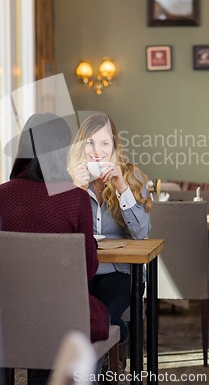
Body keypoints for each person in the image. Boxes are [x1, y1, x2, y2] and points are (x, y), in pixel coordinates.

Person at [0, 112, 109, 385]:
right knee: (113, 319)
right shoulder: (74, 198)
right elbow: (88, 270)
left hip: (10, 320)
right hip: (65, 321)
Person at [68, 113, 151, 367]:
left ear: (115, 146)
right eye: (90, 143)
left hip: (119, 272)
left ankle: (95, 366)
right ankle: (118, 336)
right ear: (81, 146)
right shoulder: (67, 180)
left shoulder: (132, 177)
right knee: (78, 319)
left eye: (105, 143)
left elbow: (142, 234)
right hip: (79, 272)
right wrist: (77, 192)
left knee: (98, 318)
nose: (97, 152)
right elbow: (62, 233)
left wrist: (122, 188)